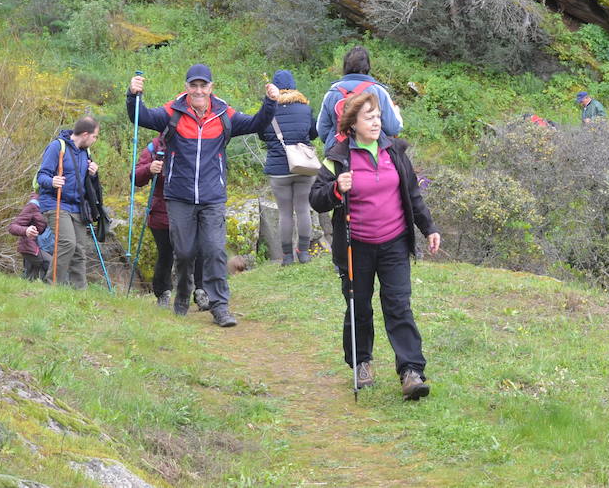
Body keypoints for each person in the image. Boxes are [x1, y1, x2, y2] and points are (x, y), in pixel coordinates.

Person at [310, 90, 441, 401]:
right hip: (356, 247)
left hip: (394, 242)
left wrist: (429, 228)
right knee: (360, 307)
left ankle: (411, 371)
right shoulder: (338, 157)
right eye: (368, 117)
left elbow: (412, 195)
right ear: (352, 123)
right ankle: (361, 363)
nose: (375, 122)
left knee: (399, 305)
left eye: (378, 116)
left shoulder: (394, 151)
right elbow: (316, 200)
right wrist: (335, 189)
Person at [126, 64, 279, 328]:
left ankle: (220, 306)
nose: (198, 90)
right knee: (184, 253)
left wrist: (270, 102)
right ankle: (183, 296)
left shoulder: (223, 113)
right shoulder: (172, 112)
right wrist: (132, 95)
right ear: (186, 87)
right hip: (179, 196)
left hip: (212, 196)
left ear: (211, 87)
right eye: (193, 85)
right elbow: (141, 117)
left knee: (214, 250)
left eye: (203, 85)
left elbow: (257, 123)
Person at [135, 134, 207, 314]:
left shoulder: (196, 140)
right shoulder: (155, 147)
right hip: (162, 212)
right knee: (165, 254)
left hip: (192, 209)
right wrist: (150, 169)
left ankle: (201, 291)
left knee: (197, 251)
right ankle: (163, 294)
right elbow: (135, 177)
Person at [258, 70, 320, 265]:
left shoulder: (267, 110)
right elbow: (314, 133)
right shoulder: (304, 108)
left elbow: (261, 134)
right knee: (303, 209)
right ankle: (303, 252)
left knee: (285, 212)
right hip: (302, 166)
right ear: (294, 86)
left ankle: (286, 256)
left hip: (278, 170)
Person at [36, 117, 101, 289]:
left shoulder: (85, 153)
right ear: (85, 134)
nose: (95, 140)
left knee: (79, 249)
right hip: (54, 203)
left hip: (77, 207)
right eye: (95, 137)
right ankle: (52, 285)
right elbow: (41, 176)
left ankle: (80, 290)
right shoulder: (57, 146)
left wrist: (92, 173)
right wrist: (52, 181)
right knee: (67, 243)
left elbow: (85, 183)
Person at [315, 45, 403, 145]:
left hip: (338, 153)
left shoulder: (332, 92)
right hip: (370, 152)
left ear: (345, 66)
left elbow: (322, 131)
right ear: (367, 67)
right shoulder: (378, 91)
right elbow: (392, 129)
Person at [7, 194, 50, 282]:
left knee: (32, 279)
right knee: (52, 265)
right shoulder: (33, 205)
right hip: (32, 248)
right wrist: (26, 230)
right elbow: (12, 227)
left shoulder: (61, 203)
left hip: (48, 247)